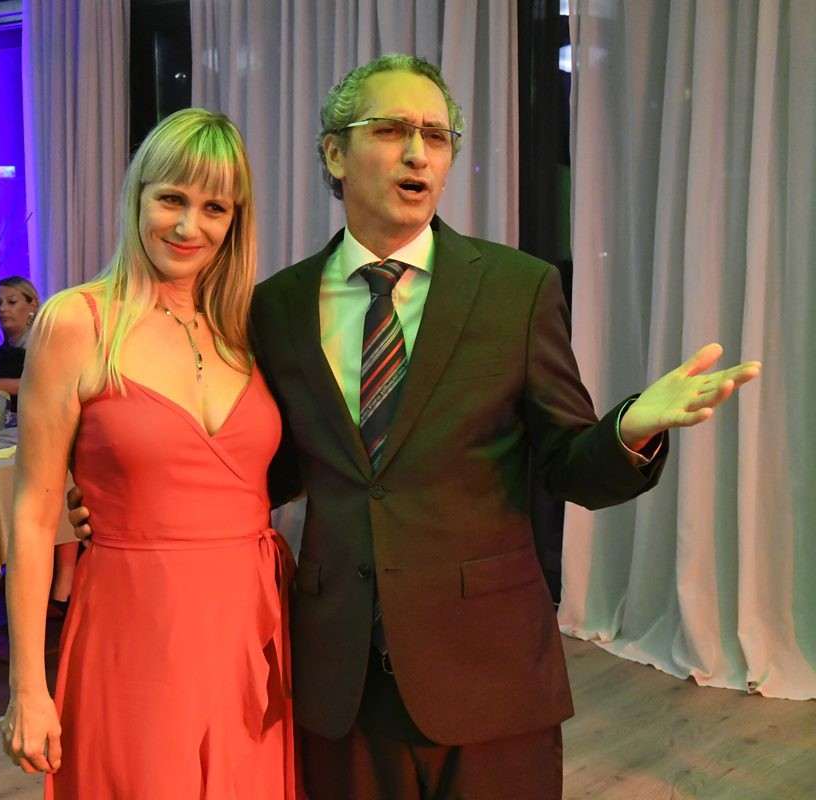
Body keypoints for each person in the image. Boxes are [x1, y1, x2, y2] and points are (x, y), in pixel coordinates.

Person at [71, 55, 761, 798]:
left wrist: (629, 429)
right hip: (337, 678)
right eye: (391, 130)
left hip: (488, 673)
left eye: (436, 136)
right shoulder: (275, 307)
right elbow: (263, 470)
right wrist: (133, 499)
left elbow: (568, 463)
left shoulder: (517, 289)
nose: (417, 153)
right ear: (335, 153)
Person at [2, 108, 297, 798]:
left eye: (214, 207)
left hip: (250, 633)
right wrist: (27, 686)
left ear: (235, 221)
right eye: (171, 198)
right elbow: (34, 516)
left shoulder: (244, 328)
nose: (189, 225)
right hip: (136, 630)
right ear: (137, 197)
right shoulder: (77, 321)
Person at [0, 277, 77, 613]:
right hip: (17, 430)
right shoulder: (5, 348)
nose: (3, 309)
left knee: (59, 486)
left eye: (11, 302)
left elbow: (41, 384)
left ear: (32, 306)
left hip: (54, 428)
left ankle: (66, 579)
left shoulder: (43, 342)